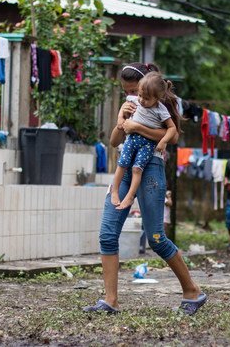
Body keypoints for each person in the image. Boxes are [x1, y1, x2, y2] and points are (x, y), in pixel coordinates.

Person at [84, 62, 207, 316]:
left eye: (134, 91)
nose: (132, 96)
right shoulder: (131, 105)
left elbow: (171, 136)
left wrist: (138, 127)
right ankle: (110, 300)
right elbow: (115, 141)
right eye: (127, 92)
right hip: (124, 168)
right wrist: (123, 120)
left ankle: (192, 291)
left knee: (156, 238)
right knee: (107, 234)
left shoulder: (159, 107)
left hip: (150, 169)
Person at [110, 72, 180, 210]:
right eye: (140, 95)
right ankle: (114, 191)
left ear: (157, 98)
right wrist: (120, 119)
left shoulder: (161, 110)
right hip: (131, 140)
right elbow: (121, 112)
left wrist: (163, 141)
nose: (141, 100)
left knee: (137, 169)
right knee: (122, 164)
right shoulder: (134, 100)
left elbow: (172, 129)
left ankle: (129, 197)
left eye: (146, 98)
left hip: (147, 145)